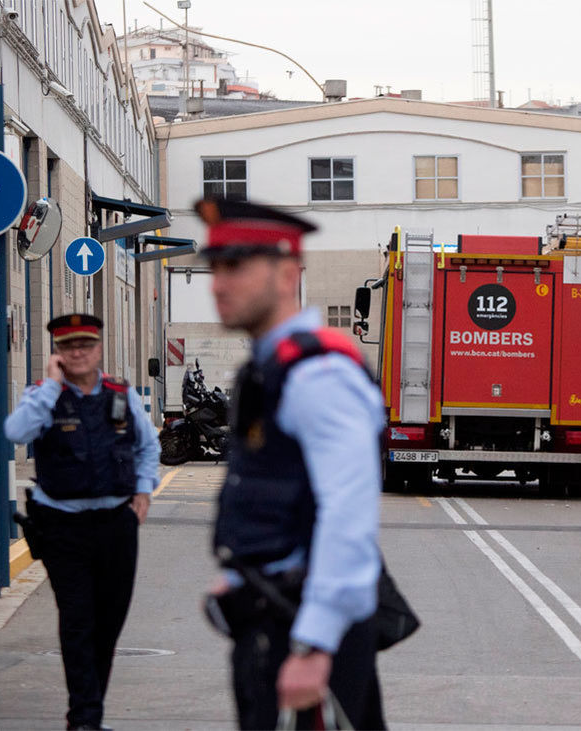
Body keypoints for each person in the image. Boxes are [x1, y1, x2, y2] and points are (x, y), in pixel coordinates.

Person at [198, 197, 387, 729]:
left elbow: (348, 514)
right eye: (214, 267)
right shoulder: (267, 369)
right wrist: (241, 574)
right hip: (268, 613)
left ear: (285, 273)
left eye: (234, 266)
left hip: (302, 630)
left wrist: (313, 645)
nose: (217, 283)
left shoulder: (318, 374)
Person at [4, 314, 158, 730]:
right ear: (58, 352)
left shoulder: (121, 394)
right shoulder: (42, 395)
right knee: (77, 619)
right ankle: (84, 719)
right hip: (62, 526)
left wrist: (144, 491)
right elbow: (16, 432)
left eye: (85, 345)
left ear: (98, 348)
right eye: (68, 346)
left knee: (107, 623)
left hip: (116, 524)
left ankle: (90, 712)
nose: (77, 352)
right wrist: (51, 386)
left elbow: (147, 446)